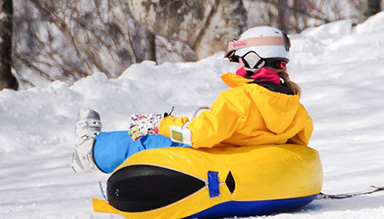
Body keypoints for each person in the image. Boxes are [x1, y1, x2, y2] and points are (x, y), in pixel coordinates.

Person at [71, 26, 314, 174]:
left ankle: (90, 150)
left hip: (210, 158)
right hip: (241, 160)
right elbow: (298, 143)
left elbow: (197, 136)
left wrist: (160, 124)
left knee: (148, 142)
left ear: (253, 60)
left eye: (240, 59)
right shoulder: (294, 106)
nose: (238, 64)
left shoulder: (238, 99)